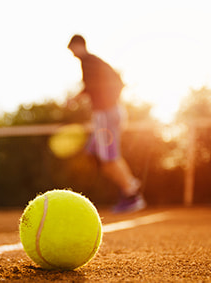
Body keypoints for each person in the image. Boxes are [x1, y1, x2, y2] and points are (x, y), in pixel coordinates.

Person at [66, 34, 146, 213]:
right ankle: (129, 185)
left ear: (79, 45)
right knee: (94, 152)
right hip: (106, 113)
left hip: (106, 114)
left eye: (72, 49)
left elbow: (117, 83)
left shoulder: (89, 61)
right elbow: (91, 88)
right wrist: (75, 99)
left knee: (109, 157)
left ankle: (131, 191)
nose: (72, 54)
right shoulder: (91, 63)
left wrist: (108, 105)